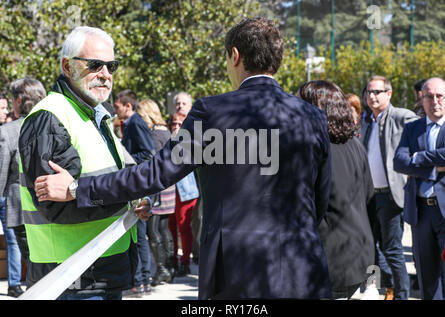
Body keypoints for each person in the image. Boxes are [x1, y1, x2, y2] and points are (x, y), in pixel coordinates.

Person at [34, 17, 332, 299]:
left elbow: (154, 174)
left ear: (235, 56)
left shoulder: (213, 113)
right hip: (302, 265)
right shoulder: (313, 117)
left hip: (237, 271)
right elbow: (320, 199)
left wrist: (77, 189)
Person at [18, 26, 149, 300]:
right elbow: (53, 205)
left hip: (103, 266)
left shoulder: (96, 117)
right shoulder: (50, 118)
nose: (105, 74)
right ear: (67, 66)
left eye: (111, 66)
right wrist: (126, 198)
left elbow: (119, 176)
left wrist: (137, 200)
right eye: (95, 65)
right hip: (71, 275)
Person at [297, 80, 375, 299]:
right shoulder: (355, 144)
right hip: (361, 253)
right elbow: (369, 198)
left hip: (332, 258)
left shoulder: (314, 147)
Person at [360, 75, 418, 300]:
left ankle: (401, 294)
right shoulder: (366, 120)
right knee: (368, 247)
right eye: (369, 92)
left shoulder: (401, 117)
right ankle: (375, 287)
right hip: (368, 195)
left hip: (391, 196)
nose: (371, 96)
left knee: (393, 249)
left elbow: (420, 133)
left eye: (377, 92)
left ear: (389, 94)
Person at [394, 77, 445, 300]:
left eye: (439, 96)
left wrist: (417, 158)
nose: (434, 101)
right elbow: (399, 162)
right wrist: (435, 170)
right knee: (427, 277)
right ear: (422, 99)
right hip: (420, 212)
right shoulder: (412, 128)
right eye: (428, 96)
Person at [0, 78, 46, 297]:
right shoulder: (52, 125)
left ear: (19, 100)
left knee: (27, 253)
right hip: (51, 201)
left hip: (18, 203)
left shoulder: (8, 132)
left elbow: (1, 172)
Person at [114, 90, 155, 295]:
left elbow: (148, 152)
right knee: (138, 235)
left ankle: (140, 281)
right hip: (136, 183)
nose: (116, 110)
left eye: (118, 106)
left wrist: (126, 160)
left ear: (128, 106)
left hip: (139, 184)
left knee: (138, 236)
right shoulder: (130, 123)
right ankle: (143, 280)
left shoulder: (135, 122)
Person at [136, 99, 174, 286]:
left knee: (153, 230)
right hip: (169, 186)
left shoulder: (154, 135)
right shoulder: (165, 130)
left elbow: (154, 164)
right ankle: (169, 266)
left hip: (159, 188)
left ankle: (161, 269)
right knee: (164, 229)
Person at [168, 112, 199, 277]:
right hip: (169, 190)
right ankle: (172, 258)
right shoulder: (168, 140)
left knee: (184, 226)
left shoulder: (190, 141)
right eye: (173, 123)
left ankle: (185, 262)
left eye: (180, 124)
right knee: (170, 226)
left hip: (185, 190)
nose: (176, 127)